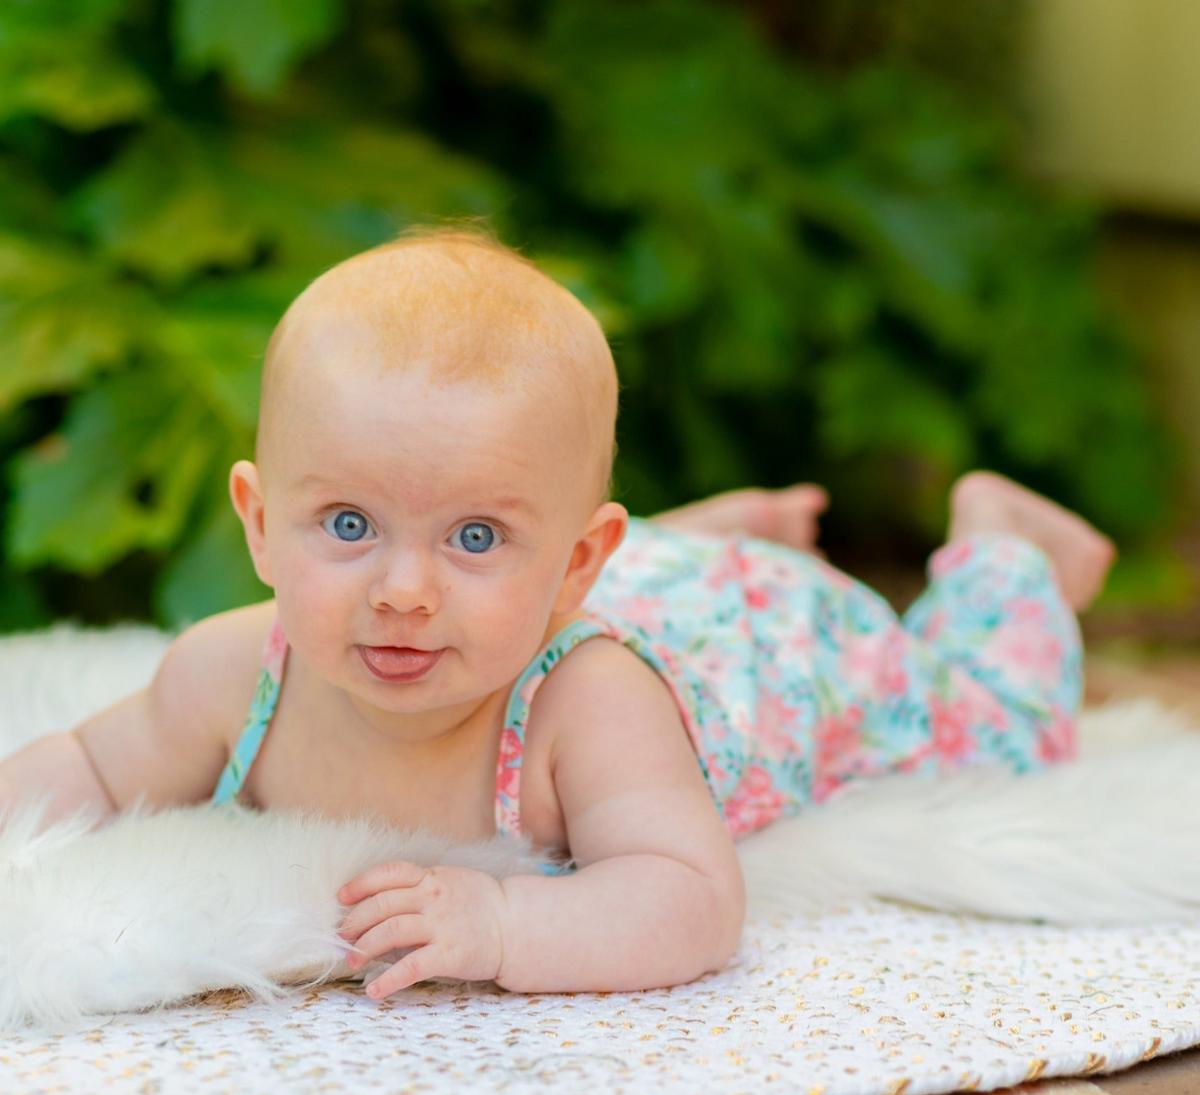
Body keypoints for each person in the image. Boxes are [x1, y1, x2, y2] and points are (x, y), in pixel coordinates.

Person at [0, 228, 1115, 1001]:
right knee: (537, 581)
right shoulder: (232, 670)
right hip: (636, 585)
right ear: (257, 522)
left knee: (991, 728)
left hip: (777, 647)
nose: (402, 590)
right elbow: (91, 766)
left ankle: (1006, 550)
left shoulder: (591, 707)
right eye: (347, 524)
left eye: (475, 536)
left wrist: (501, 925)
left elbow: (690, 897)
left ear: (580, 561)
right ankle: (686, 540)